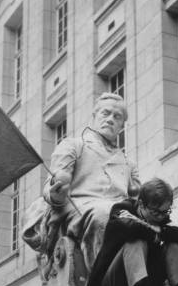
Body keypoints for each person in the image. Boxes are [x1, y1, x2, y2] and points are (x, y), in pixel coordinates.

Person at [41, 92, 140, 272]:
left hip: (120, 209)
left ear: (121, 126)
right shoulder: (73, 146)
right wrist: (56, 193)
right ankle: (104, 283)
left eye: (117, 117)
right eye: (105, 113)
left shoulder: (128, 162)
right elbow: (51, 186)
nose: (110, 119)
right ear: (94, 117)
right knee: (104, 214)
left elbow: (139, 194)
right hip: (80, 207)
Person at [85, 178, 178, 286]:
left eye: (165, 211)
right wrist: (155, 233)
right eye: (156, 212)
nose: (161, 217)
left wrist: (162, 232)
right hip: (114, 282)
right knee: (136, 241)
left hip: (150, 285)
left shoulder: (161, 223)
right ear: (141, 204)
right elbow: (130, 228)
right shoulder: (122, 209)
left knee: (173, 245)